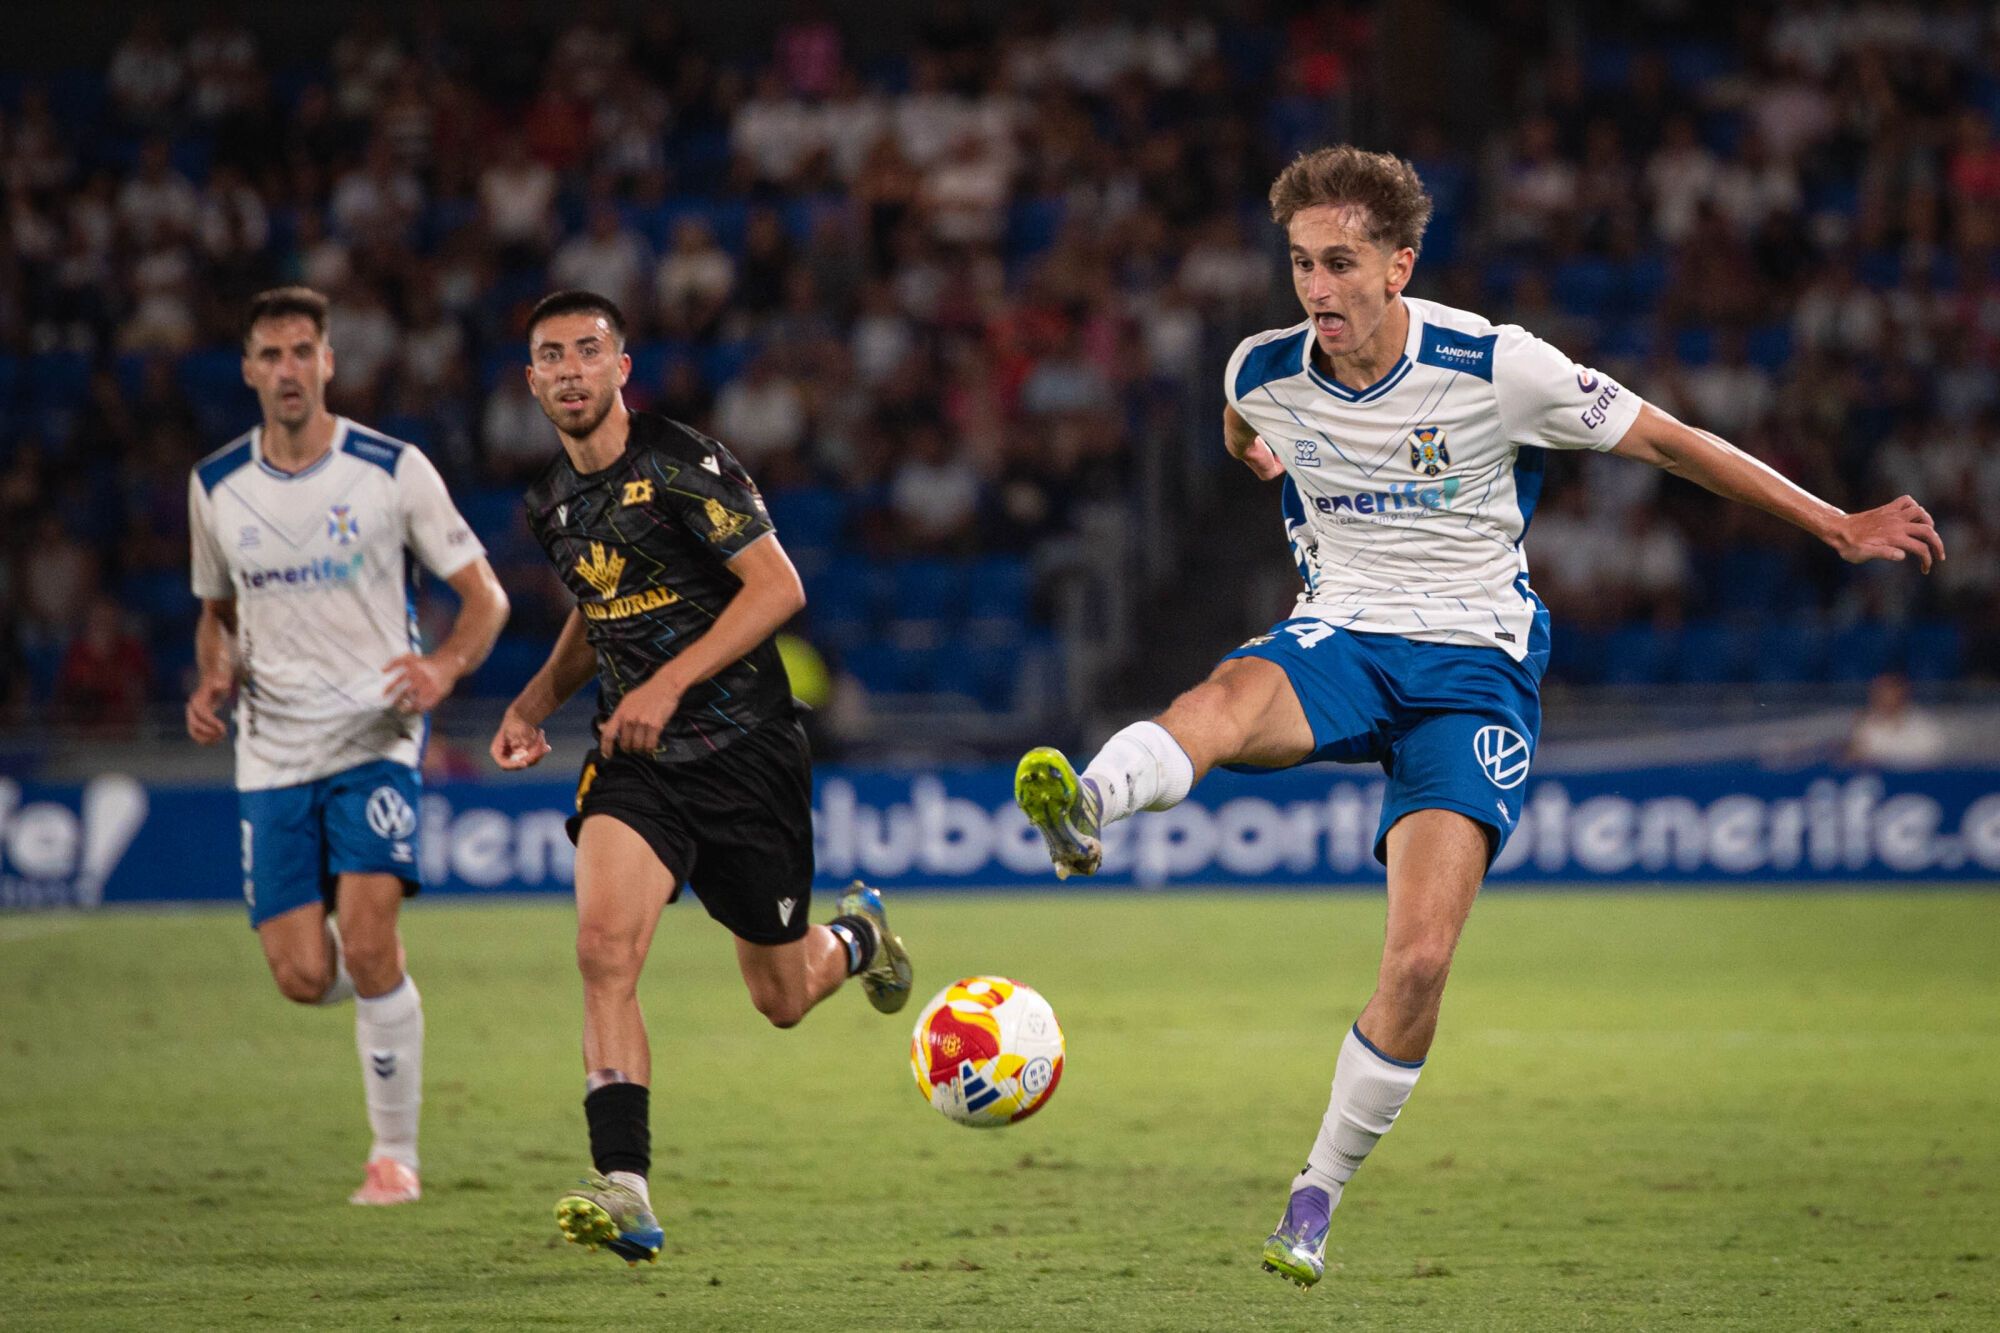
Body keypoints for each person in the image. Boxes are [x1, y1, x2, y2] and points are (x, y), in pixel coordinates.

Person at [1012, 145, 1945, 1289]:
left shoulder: (1499, 365)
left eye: (1340, 262)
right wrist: (1249, 451)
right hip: (1341, 634)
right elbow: (1235, 415)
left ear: (1398, 264)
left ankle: (1313, 1197)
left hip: (1472, 667)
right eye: (1300, 262)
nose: (1315, 287)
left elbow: (1666, 440)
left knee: (1416, 962)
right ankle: (1087, 807)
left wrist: (1836, 524)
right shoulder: (1262, 368)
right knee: (1216, 700)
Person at [487, 290, 912, 1266]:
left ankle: (854, 937)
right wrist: (529, 704)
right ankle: (625, 1186)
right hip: (636, 762)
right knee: (603, 953)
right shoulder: (549, 502)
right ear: (531, 382)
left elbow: (779, 587)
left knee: (781, 992)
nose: (569, 370)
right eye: (550, 356)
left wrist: (670, 684)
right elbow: (595, 614)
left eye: (587, 351)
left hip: (746, 753)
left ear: (620, 367)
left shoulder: (682, 462)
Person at [186, 285, 511, 1205]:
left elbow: (487, 598)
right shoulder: (216, 486)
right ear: (249, 370)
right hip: (274, 751)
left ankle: (393, 1155)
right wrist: (213, 676)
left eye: (303, 352)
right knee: (302, 976)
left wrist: (444, 668)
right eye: (270, 355)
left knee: (368, 941)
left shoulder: (390, 468)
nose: (288, 370)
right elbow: (217, 617)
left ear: (329, 361)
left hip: (377, 733)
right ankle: (384, 990)